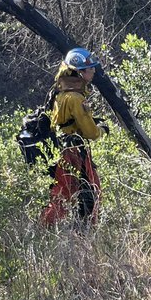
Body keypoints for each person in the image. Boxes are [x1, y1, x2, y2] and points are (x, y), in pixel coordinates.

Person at [40, 47, 108, 226]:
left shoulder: (60, 94)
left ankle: (52, 229)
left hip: (62, 149)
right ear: (79, 72)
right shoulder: (76, 98)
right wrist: (101, 129)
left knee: (63, 192)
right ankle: (84, 230)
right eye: (90, 68)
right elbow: (91, 133)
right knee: (90, 191)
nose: (93, 71)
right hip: (74, 151)